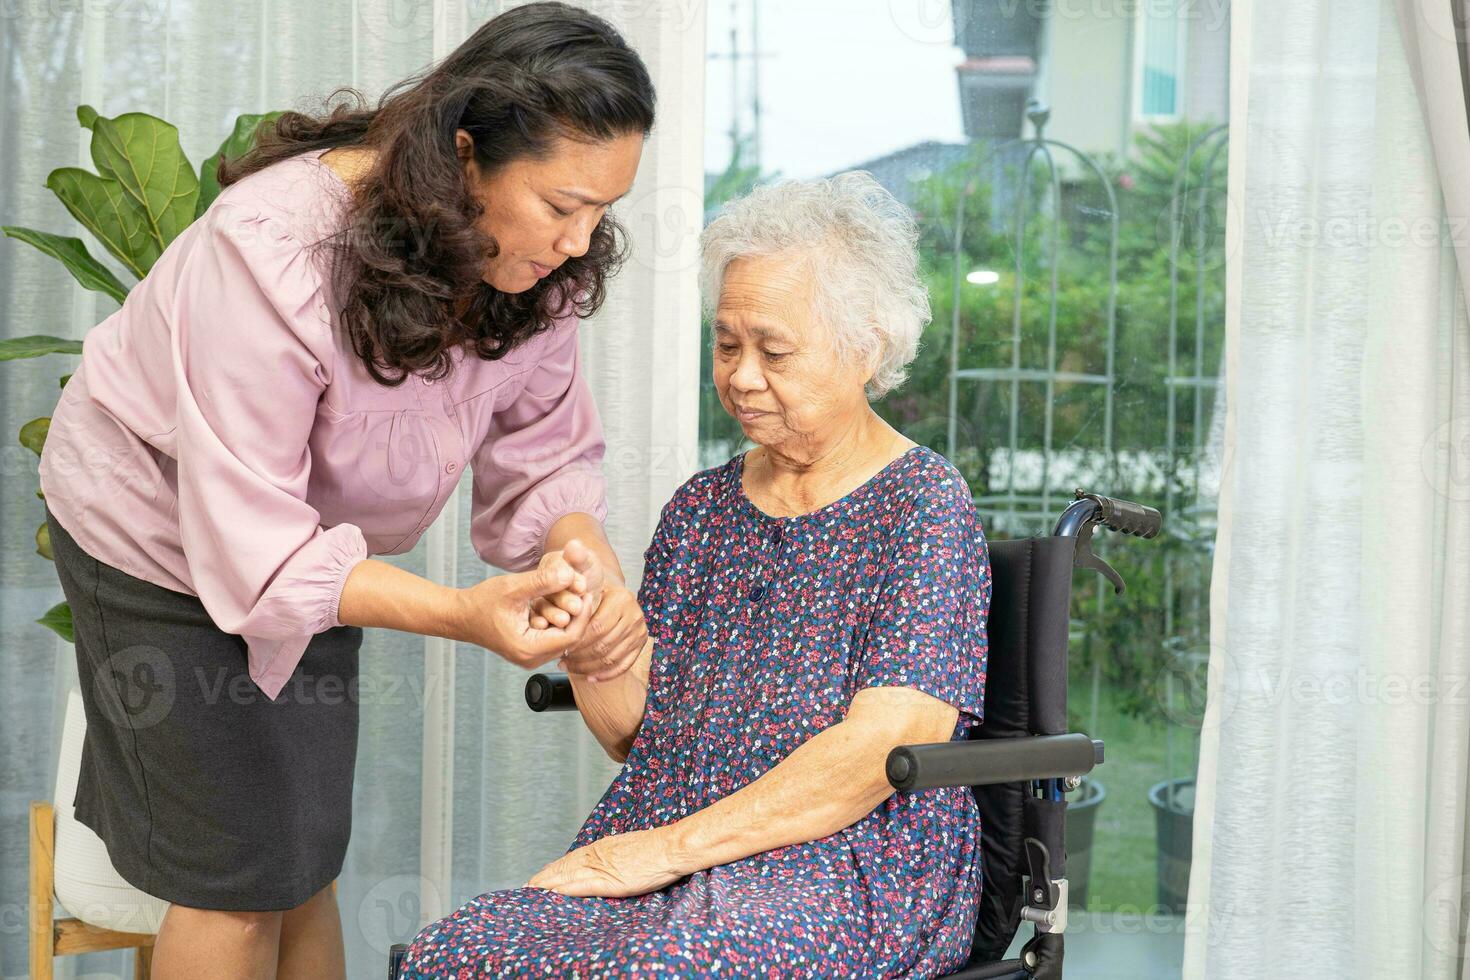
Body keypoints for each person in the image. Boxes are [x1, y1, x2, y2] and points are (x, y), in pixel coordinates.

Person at [36, 5, 654, 978]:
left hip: (309, 542)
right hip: (152, 532)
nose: (579, 244)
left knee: (303, 857)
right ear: (464, 156)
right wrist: (465, 613)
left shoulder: (534, 271)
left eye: (601, 213)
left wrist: (586, 564)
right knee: (233, 881)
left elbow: (543, 451)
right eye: (561, 205)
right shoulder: (274, 248)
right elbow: (254, 542)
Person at [399, 172, 993, 978]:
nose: (742, 375)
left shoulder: (923, 504)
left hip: (847, 864)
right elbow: (638, 735)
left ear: (867, 347)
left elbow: (884, 750)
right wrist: (592, 633)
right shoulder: (703, 508)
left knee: (664, 963)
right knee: (457, 952)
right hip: (669, 841)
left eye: (773, 350)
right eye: (728, 344)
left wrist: (665, 853)